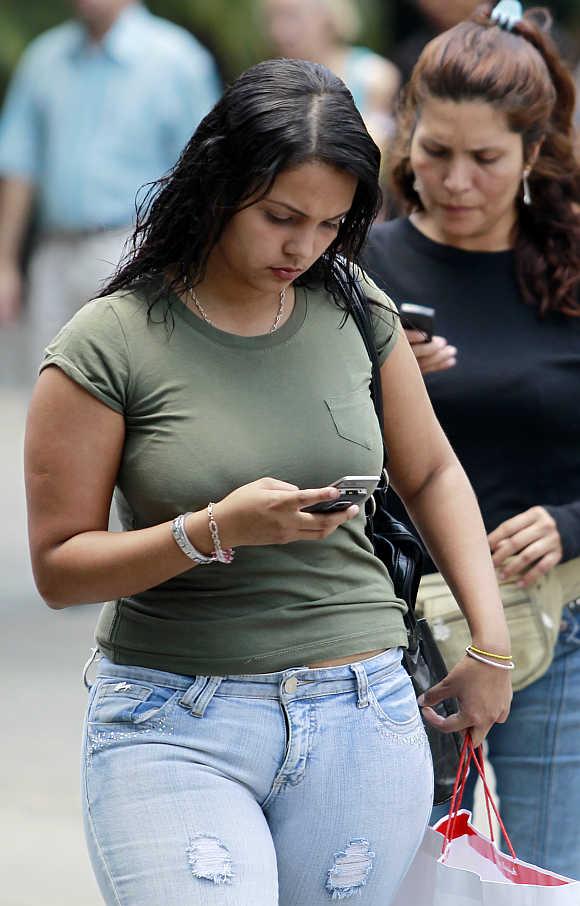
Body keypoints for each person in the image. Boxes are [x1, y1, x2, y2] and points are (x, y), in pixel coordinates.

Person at [24, 58, 511, 905]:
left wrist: (489, 644)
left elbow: (430, 470)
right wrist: (211, 531)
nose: (304, 246)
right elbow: (59, 567)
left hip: (363, 708)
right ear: (217, 187)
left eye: (330, 223)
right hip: (173, 720)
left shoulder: (355, 306)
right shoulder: (108, 341)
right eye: (281, 217)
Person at [362, 1, 580, 879]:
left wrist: (571, 521)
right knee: (386, 880)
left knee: (538, 877)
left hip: (549, 629)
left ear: (532, 154)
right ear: (406, 136)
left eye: (485, 159)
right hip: (383, 636)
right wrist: (365, 382)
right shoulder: (357, 268)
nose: (456, 181)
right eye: (436, 152)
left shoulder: (569, 268)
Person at [0, 0, 221, 362]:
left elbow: (203, 172)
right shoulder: (44, 58)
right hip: (53, 252)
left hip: (133, 244)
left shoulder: (177, 59)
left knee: (128, 384)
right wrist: (5, 263)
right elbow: (18, 164)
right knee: (48, 385)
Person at [262, 0, 400, 156]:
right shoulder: (266, 82)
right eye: (272, 18)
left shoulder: (373, 75)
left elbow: (376, 151)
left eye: (292, 16)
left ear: (328, 15)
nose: (279, 31)